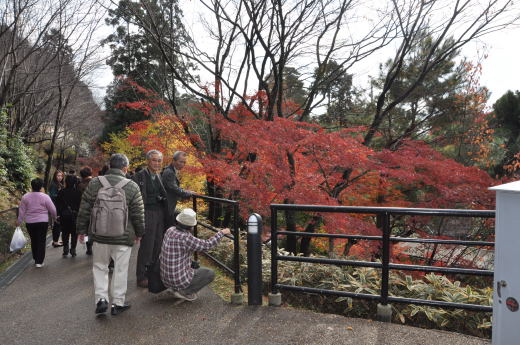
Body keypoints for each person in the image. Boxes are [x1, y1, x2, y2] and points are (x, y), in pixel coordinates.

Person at [76, 153, 145, 316]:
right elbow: (138, 213)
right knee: (121, 269)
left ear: (110, 166)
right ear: (125, 168)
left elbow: (84, 208)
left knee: (100, 267)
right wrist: (140, 232)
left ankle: (101, 300)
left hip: (99, 235)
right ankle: (117, 303)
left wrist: (81, 230)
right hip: (123, 236)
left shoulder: (94, 183)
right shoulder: (132, 186)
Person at [160, 208, 230, 301]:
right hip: (177, 280)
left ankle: (175, 288)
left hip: (165, 278)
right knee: (210, 273)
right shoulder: (185, 237)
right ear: (191, 226)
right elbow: (207, 245)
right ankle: (185, 292)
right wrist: (221, 233)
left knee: (194, 266)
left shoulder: (170, 230)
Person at [133, 150, 168, 288]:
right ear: (148, 161)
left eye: (159, 160)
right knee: (147, 245)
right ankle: (141, 276)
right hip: (146, 212)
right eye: (154, 160)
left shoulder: (159, 176)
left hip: (159, 213)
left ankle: (152, 274)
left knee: (158, 244)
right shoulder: (139, 176)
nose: (157, 163)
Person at [16, 178, 57, 267]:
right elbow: (52, 209)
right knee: (41, 240)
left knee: (34, 240)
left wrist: (19, 221)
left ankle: (35, 258)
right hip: (42, 221)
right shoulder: (45, 196)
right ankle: (39, 261)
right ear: (41, 187)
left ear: (32, 186)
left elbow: (21, 211)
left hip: (30, 222)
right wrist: (54, 217)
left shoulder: (25, 197)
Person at [162, 151, 194, 226]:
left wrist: (186, 191)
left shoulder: (170, 170)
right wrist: (188, 193)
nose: (183, 164)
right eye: (181, 162)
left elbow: (173, 186)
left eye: (184, 162)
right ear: (173, 161)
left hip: (167, 205)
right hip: (167, 206)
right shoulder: (169, 172)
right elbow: (174, 188)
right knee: (167, 227)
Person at [56, 175, 82, 257]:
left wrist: (59, 214)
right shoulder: (78, 192)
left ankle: (65, 248)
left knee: (65, 232)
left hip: (64, 216)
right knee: (74, 233)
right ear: (75, 182)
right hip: (75, 216)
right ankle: (73, 249)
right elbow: (80, 205)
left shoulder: (61, 192)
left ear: (66, 182)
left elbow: (57, 204)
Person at [78, 166, 94, 255]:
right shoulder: (96, 183)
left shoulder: (80, 185)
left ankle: (89, 247)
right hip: (96, 209)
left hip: (84, 209)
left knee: (86, 230)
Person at [48, 169, 64, 247]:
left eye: (61, 176)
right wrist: (60, 195)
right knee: (57, 224)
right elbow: (52, 195)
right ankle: (55, 241)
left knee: (58, 224)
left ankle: (56, 240)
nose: (60, 177)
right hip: (55, 206)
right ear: (55, 176)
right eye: (58, 175)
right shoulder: (53, 184)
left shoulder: (59, 184)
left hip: (57, 205)